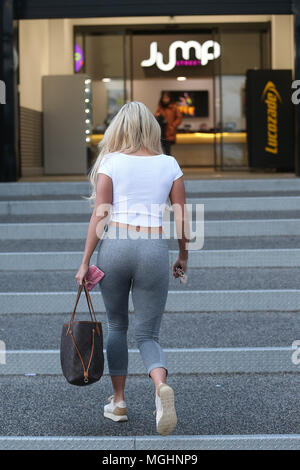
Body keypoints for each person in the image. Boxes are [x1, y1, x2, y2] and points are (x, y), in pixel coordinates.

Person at [75, 101, 189, 436]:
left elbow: (101, 214)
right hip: (153, 248)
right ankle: (159, 387)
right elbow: (181, 217)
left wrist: (84, 262)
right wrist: (183, 256)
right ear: (153, 128)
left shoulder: (111, 161)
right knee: (148, 334)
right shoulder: (169, 164)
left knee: (117, 326)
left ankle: (119, 401)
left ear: (118, 128)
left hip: (117, 246)